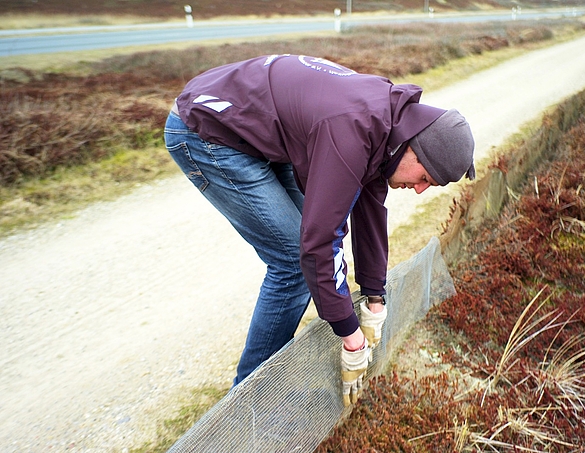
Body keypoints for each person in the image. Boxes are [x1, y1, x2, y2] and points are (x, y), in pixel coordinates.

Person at [164, 54, 475, 406]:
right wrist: (350, 334)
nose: (419, 190)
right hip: (206, 129)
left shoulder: (387, 126)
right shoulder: (352, 130)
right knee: (294, 263)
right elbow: (320, 242)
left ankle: (262, 385)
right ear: (416, 151)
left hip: (262, 135)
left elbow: (369, 209)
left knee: (306, 250)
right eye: (424, 179)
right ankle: (247, 403)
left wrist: (375, 297)